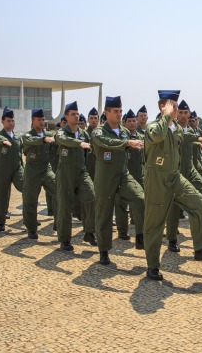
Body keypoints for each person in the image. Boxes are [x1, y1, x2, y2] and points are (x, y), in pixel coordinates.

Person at [143, 90, 202, 281]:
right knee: (155, 224)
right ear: (163, 107)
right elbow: (158, 136)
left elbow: (182, 137)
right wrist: (165, 115)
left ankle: (200, 248)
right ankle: (152, 266)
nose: (177, 111)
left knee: (198, 201)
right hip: (157, 180)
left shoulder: (175, 127)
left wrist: (197, 138)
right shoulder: (153, 127)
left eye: (176, 107)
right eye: (173, 107)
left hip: (174, 177)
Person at [90, 98, 145, 265]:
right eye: (116, 111)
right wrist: (126, 143)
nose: (119, 114)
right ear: (107, 113)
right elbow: (104, 142)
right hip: (105, 178)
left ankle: (140, 236)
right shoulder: (99, 132)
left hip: (122, 174)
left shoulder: (124, 131)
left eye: (120, 111)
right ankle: (104, 250)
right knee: (104, 215)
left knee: (140, 198)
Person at [165, 100, 202, 253]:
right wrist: (197, 141)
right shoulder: (173, 128)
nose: (183, 115)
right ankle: (172, 239)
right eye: (180, 112)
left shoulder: (193, 130)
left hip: (191, 170)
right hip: (176, 172)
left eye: (186, 113)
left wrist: (199, 143)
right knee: (173, 207)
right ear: (176, 113)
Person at [54, 101, 97, 251]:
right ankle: (65, 239)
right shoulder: (62, 132)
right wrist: (78, 143)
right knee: (65, 206)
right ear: (66, 116)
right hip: (65, 174)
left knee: (91, 196)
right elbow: (62, 140)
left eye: (78, 114)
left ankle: (89, 232)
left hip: (81, 172)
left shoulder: (84, 133)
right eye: (73, 114)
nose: (76, 116)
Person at [21, 109, 56, 239]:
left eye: (42, 120)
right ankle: (31, 228)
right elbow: (30, 141)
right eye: (38, 120)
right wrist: (43, 139)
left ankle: (59, 223)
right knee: (30, 200)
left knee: (59, 191)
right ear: (33, 121)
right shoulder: (27, 135)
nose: (41, 122)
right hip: (32, 171)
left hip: (46, 169)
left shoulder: (49, 134)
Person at [115, 108, 145, 248]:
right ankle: (122, 230)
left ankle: (140, 229)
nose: (133, 123)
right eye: (130, 121)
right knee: (121, 204)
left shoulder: (141, 137)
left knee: (140, 203)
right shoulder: (122, 137)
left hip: (139, 175)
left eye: (134, 121)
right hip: (124, 176)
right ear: (124, 123)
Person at [0, 107, 25, 231]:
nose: (11, 123)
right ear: (2, 122)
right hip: (2, 170)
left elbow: (20, 153)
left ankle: (29, 218)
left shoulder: (17, 137)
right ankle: (1, 222)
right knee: (1, 196)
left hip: (17, 168)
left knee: (26, 189)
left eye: (12, 120)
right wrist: (4, 141)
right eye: (8, 120)